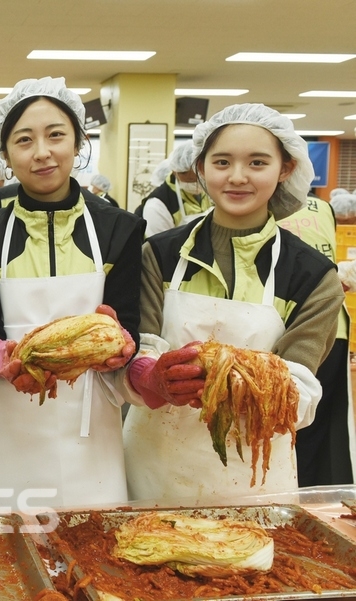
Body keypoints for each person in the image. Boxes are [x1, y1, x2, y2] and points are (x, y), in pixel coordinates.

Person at [122, 104, 342, 501]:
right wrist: (151, 376)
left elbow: (300, 389)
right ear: (201, 168)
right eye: (222, 162)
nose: (237, 177)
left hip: (254, 479)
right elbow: (142, 350)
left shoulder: (312, 276)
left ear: (285, 168)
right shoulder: (159, 256)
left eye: (258, 162)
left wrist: (241, 386)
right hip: (155, 469)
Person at [0, 77, 143, 512]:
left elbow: (130, 324)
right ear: (6, 155)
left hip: (89, 430)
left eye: (56, 135)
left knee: (91, 550)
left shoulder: (119, 229)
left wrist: (123, 347)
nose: (42, 152)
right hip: (5, 423)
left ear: (79, 142)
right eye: (24, 140)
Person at [276, 196, 356, 486]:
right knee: (317, 427)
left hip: (290, 329)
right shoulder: (323, 207)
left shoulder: (258, 206)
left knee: (285, 424)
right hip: (332, 327)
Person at [139, 141, 213, 236]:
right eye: (189, 180)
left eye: (198, 180)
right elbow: (159, 246)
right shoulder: (158, 205)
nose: (195, 185)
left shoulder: (209, 192)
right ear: (175, 171)